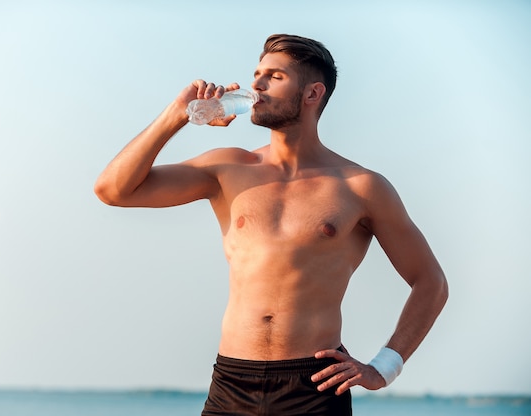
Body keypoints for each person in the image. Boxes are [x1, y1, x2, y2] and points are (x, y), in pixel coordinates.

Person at [94, 34, 448, 416]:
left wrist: (383, 368)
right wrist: (177, 114)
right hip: (231, 383)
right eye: (257, 73)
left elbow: (430, 282)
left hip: (314, 387)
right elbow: (114, 190)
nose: (257, 85)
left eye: (274, 76)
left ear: (313, 94)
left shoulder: (360, 187)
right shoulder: (227, 167)